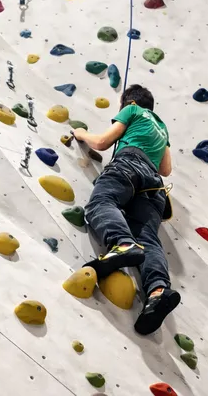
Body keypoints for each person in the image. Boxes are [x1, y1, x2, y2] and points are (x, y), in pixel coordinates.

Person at [72, 84, 179, 335]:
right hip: (154, 188)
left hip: (128, 166)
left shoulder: (131, 110)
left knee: (101, 203)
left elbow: (102, 142)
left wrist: (82, 133)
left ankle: (122, 243)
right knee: (148, 238)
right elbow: (165, 170)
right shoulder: (162, 128)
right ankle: (157, 291)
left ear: (128, 102)